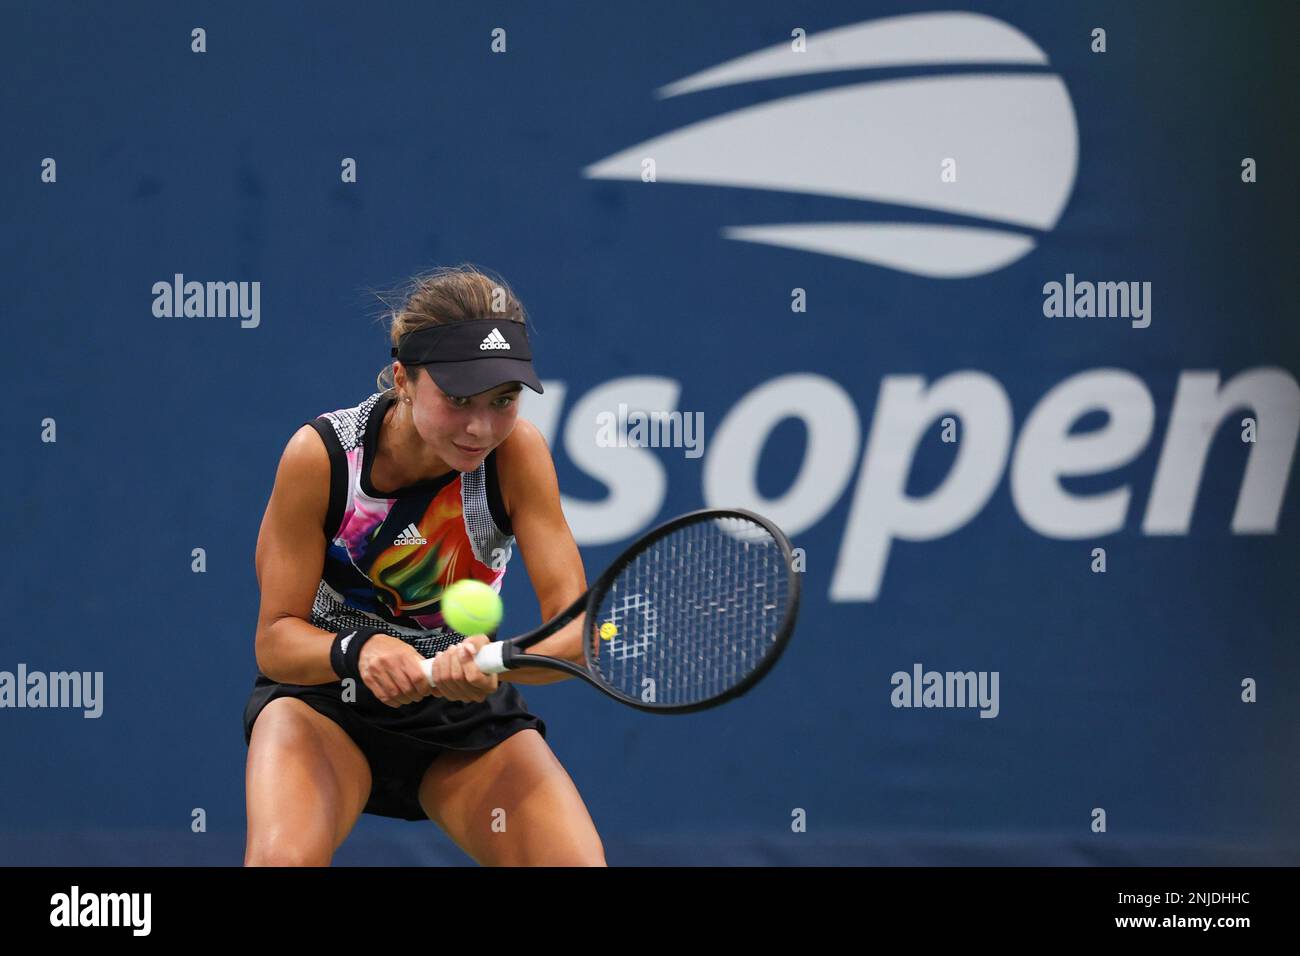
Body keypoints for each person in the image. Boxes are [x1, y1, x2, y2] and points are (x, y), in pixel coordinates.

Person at [242, 265, 605, 866]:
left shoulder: (517, 456)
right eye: (458, 399)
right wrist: (357, 650)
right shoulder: (324, 459)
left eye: (504, 400)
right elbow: (275, 640)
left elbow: (572, 636)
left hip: (458, 719)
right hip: (326, 698)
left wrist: (495, 665)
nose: (480, 427)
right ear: (404, 379)